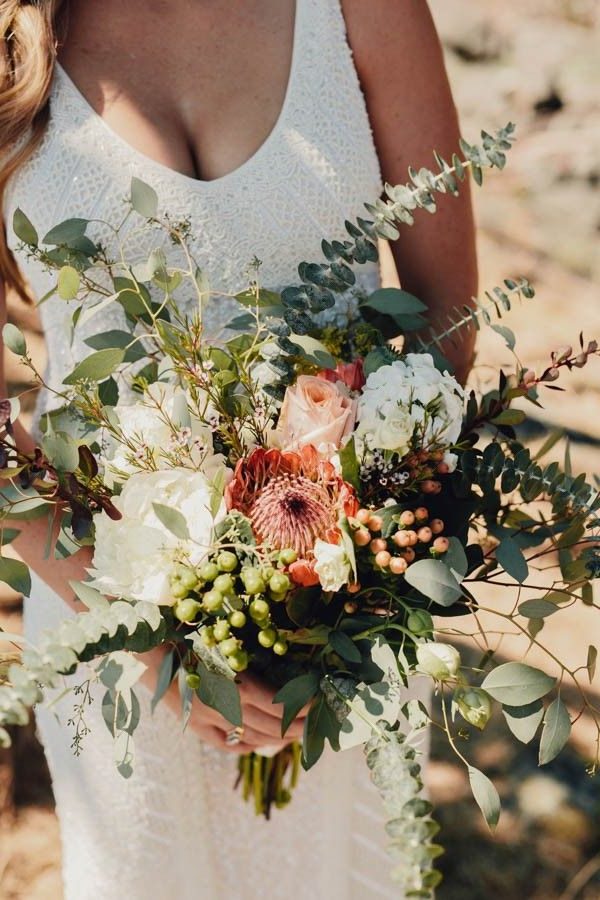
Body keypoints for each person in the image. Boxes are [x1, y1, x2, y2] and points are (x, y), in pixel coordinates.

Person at [0, 1, 477, 897]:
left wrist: (331, 601)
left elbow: (445, 327)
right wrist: (151, 644)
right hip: (104, 624)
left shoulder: (359, 11)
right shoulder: (8, 48)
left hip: (344, 627)